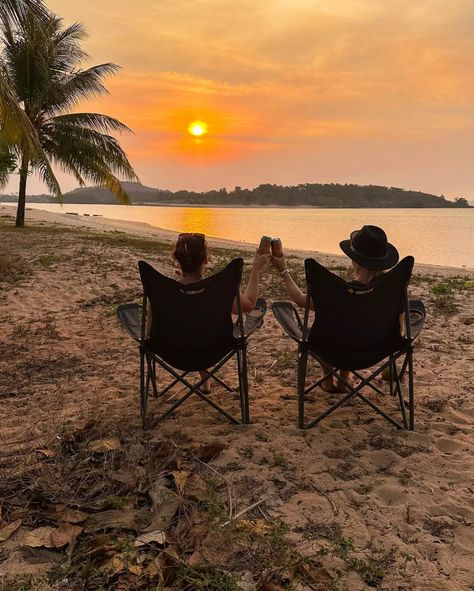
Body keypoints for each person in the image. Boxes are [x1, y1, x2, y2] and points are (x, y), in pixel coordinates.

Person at [270, 225, 400, 393]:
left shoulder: (340, 293)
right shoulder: (392, 290)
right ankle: (344, 379)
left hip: (333, 349)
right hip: (376, 350)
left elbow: (301, 300)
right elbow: (400, 325)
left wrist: (284, 270)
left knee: (333, 329)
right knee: (351, 327)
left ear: (354, 259)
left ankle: (329, 379)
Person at [147, 232, 269, 392]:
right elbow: (249, 305)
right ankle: (205, 378)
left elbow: (149, 331)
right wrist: (256, 269)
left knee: (191, 325)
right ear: (205, 260)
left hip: (172, 353)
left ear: (177, 260)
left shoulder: (162, 291)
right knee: (199, 327)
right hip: (213, 351)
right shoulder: (219, 290)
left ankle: (205, 381)